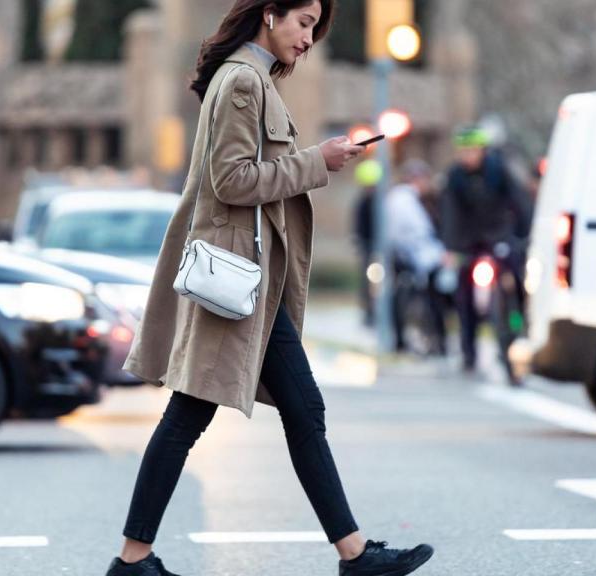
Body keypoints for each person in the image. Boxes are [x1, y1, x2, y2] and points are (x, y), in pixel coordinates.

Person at [111, 2, 435, 575]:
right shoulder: (242, 82)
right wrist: (319, 161)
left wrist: (319, 160)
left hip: (248, 283)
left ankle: (353, 553)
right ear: (270, 14)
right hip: (233, 282)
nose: (309, 38)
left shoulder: (251, 79)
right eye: (304, 22)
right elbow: (230, 179)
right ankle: (133, 559)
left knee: (302, 409)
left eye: (315, 27)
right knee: (190, 416)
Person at [440, 126, 532, 371]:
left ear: (482, 150)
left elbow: (519, 201)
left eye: (472, 150)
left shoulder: (498, 170)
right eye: (464, 151)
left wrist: (525, 234)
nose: (468, 156)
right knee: (464, 295)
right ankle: (468, 352)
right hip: (468, 241)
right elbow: (449, 213)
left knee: (514, 276)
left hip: (498, 235)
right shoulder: (455, 177)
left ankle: (516, 324)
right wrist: (450, 247)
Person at [387, 159, 447, 354]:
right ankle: (431, 341)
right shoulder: (404, 199)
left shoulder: (404, 198)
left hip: (410, 257)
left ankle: (419, 340)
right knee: (422, 300)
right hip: (413, 259)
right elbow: (419, 231)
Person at [352, 159, 382, 326]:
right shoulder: (363, 203)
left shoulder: (380, 202)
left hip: (379, 248)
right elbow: (359, 227)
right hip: (368, 247)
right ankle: (369, 312)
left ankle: (378, 311)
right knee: (368, 282)